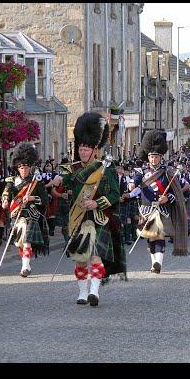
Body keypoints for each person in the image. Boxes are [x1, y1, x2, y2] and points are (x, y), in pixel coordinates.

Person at [50, 112, 126, 306]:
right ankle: (82, 293)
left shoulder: (105, 168)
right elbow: (61, 183)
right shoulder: (71, 169)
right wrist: (57, 182)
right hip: (78, 218)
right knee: (80, 259)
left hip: (99, 218)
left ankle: (94, 292)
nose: (83, 152)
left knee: (95, 256)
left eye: (86, 149)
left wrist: (97, 203)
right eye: (81, 149)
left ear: (95, 150)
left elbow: (115, 195)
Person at [128, 129, 188, 273]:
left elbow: (175, 193)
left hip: (162, 209)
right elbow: (135, 181)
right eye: (151, 157)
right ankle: (154, 262)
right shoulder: (141, 172)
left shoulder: (168, 172)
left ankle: (158, 263)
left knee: (159, 235)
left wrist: (167, 198)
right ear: (148, 157)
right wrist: (131, 184)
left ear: (160, 157)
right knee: (150, 237)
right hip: (147, 208)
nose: (153, 159)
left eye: (156, 157)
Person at [1, 144, 49, 277]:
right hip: (16, 214)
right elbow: (6, 192)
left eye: (26, 167)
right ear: (17, 167)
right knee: (20, 242)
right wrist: (5, 200)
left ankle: (25, 266)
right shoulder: (12, 181)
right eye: (21, 167)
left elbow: (45, 200)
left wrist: (32, 197)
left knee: (27, 239)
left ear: (30, 167)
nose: (23, 170)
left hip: (30, 215)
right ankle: (25, 262)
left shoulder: (36, 182)